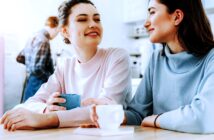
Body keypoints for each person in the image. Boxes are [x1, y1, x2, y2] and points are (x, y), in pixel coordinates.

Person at [0, 0, 132, 131]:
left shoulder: (117, 57)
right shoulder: (65, 66)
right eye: (82, 20)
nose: (93, 24)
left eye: (97, 19)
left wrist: (48, 118)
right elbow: (29, 105)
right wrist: (47, 109)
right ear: (65, 32)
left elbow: (107, 110)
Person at [91, 0, 214, 134]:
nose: (146, 23)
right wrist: (109, 116)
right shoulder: (157, 59)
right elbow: (138, 114)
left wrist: (157, 120)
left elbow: (204, 118)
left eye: (152, 12)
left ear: (177, 16)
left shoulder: (211, 59)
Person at [16, 16, 60, 102]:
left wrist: (30, 64)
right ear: (55, 28)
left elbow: (19, 57)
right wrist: (51, 78)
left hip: (30, 80)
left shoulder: (34, 36)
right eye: (57, 32)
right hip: (38, 81)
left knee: (28, 108)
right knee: (35, 110)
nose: (56, 35)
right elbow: (37, 69)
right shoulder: (43, 40)